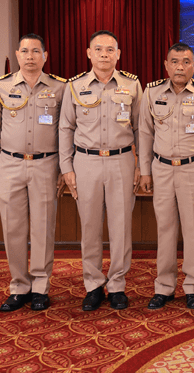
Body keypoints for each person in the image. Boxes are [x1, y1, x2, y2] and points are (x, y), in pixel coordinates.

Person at [0, 33, 66, 312]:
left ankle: (40, 287)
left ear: (45, 56)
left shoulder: (60, 88)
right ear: (17, 55)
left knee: (43, 228)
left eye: (36, 51)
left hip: (46, 165)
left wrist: (64, 168)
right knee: (13, 228)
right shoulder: (0, 87)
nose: (30, 56)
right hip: (9, 165)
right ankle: (19, 286)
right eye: (25, 51)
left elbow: (66, 132)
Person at [59, 30, 142, 311]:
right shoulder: (74, 86)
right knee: (90, 228)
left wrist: (141, 165)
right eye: (99, 49)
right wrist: (66, 167)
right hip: (86, 163)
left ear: (118, 54)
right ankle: (93, 285)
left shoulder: (132, 85)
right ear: (89, 53)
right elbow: (65, 128)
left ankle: (117, 284)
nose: (104, 54)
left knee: (121, 227)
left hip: (122, 161)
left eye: (110, 50)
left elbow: (141, 128)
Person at [138, 42, 194, 310]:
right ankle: (164, 286)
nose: (180, 67)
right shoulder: (151, 92)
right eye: (174, 61)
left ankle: (193, 286)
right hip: (161, 168)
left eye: (186, 62)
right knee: (165, 229)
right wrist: (144, 170)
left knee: (193, 230)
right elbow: (145, 133)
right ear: (166, 65)